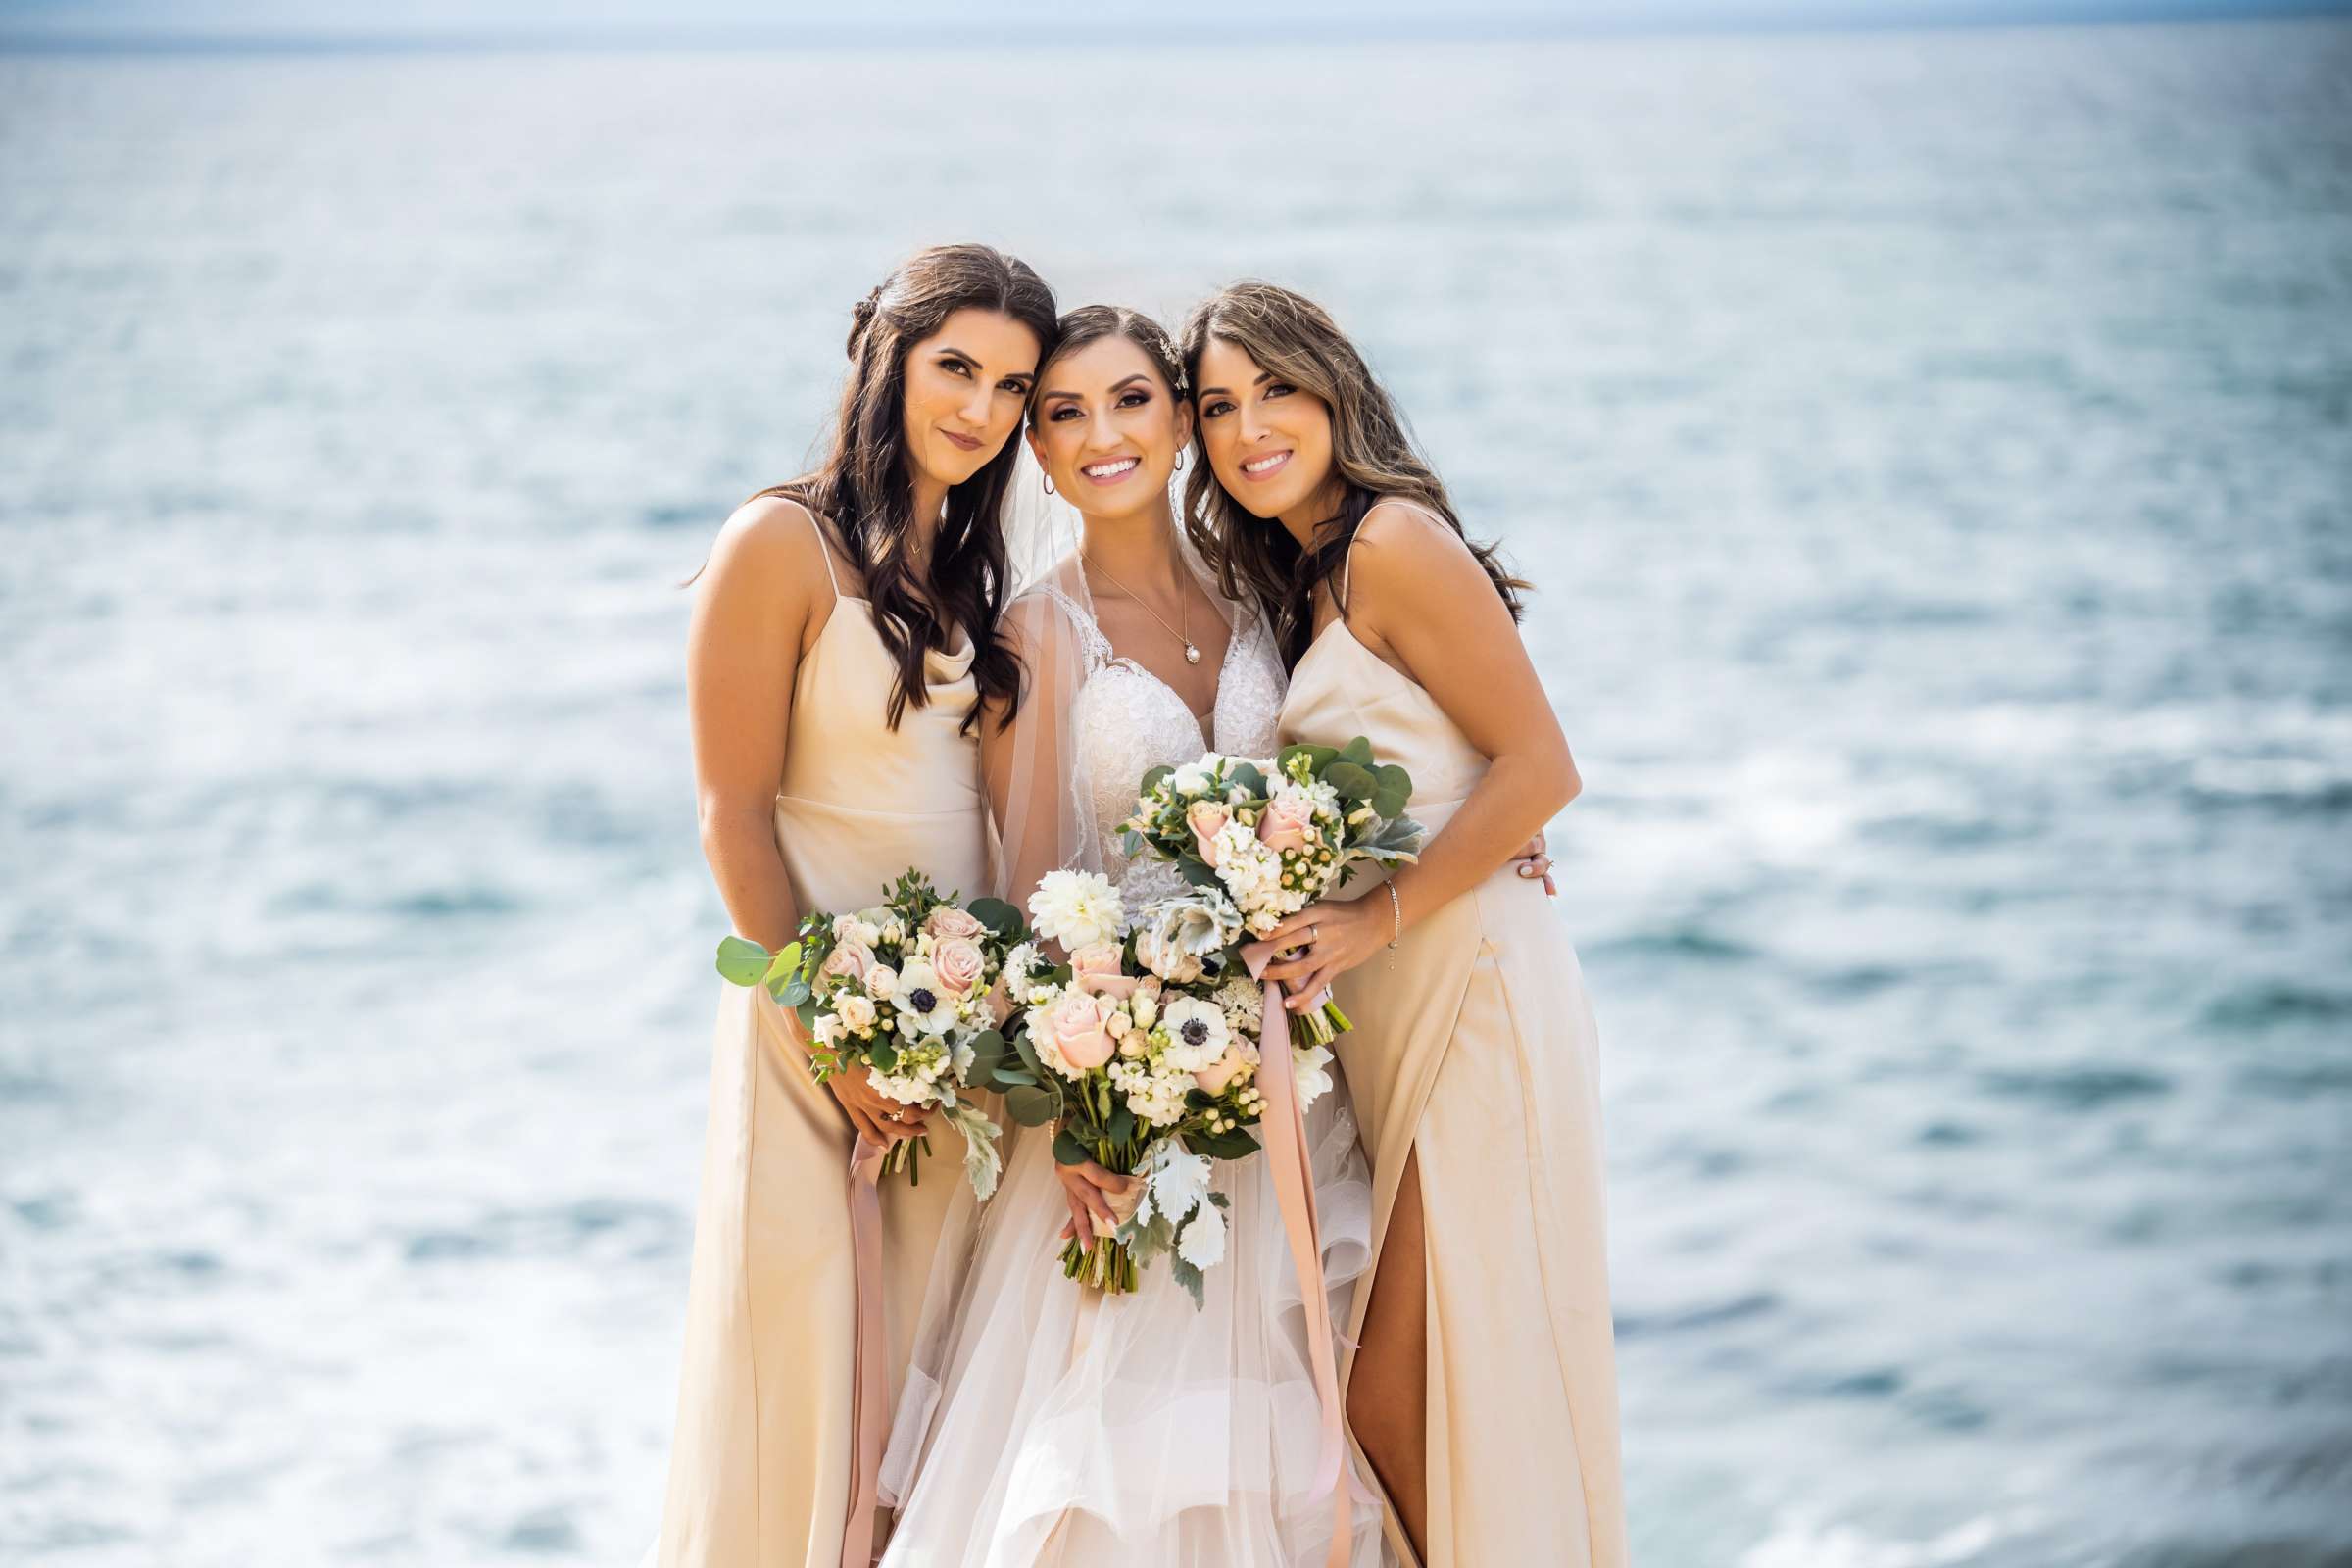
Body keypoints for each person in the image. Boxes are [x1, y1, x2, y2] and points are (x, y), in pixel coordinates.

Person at [1183, 280, 1626, 1568]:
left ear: (1334, 391)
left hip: (1472, 988)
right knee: (1428, 1374)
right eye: (1217, 405)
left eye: (1274, 389)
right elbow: (1448, 768)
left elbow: (1542, 767)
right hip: (1392, 1001)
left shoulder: (1390, 542)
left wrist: (1381, 913)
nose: (1247, 425)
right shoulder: (1298, 576)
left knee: (1399, 1386)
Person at [650, 243, 1054, 1568]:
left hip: (955, 1041)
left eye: (1012, 386)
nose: (980, 410)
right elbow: (732, 812)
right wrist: (825, 1028)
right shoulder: (778, 541)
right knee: (810, 1377)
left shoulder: (969, 570)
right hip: (816, 1028)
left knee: (927, 1390)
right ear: (888, 355)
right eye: (957, 368)